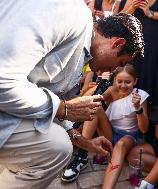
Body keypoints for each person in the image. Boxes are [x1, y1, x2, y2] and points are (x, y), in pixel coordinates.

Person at [0, 0, 144, 188]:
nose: (113, 70)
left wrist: (83, 141)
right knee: (57, 149)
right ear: (117, 43)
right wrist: (62, 108)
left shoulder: (83, 47)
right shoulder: (67, 14)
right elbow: (3, 80)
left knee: (58, 145)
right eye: (119, 63)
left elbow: (44, 93)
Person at [61, 64, 149, 186]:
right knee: (95, 107)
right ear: (114, 80)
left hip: (129, 137)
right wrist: (97, 85)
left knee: (121, 144)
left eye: (128, 82)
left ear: (135, 81)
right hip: (110, 134)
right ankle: (82, 155)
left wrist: (138, 108)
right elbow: (91, 100)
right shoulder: (112, 90)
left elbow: (144, 129)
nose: (123, 85)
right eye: (119, 81)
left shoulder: (140, 95)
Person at [120, 0, 158, 107]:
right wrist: (132, 8)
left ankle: (154, 108)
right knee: (138, 73)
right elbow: (119, 19)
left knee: (155, 74)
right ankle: (135, 108)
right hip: (137, 46)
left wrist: (150, 13)